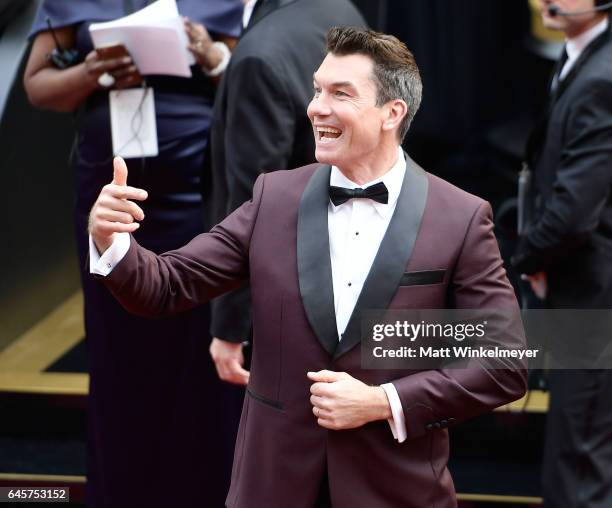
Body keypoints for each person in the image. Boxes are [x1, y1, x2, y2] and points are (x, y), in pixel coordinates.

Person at [89, 27, 527, 507]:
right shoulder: (274, 197)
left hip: (393, 490)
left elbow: (502, 365)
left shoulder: (460, 217)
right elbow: (167, 286)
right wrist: (112, 241)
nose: (316, 108)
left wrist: (382, 402)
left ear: (392, 113)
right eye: (317, 89)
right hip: (273, 487)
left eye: (340, 94)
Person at [23, 1, 243, 506]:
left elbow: (252, 83)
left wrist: (210, 56)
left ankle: (205, 492)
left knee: (195, 348)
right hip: (108, 187)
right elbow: (38, 87)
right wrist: (91, 71)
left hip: (198, 188)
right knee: (117, 344)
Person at [203, 0, 366, 385]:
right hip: (355, 261)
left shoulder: (258, 56)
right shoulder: (339, 8)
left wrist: (230, 325)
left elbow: (255, 205)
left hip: (288, 296)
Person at [512, 1, 612, 506]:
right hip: (581, 290)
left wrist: (523, 259)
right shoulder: (582, 57)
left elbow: (575, 211)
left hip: (595, 302)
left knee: (580, 469)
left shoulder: (602, 76)